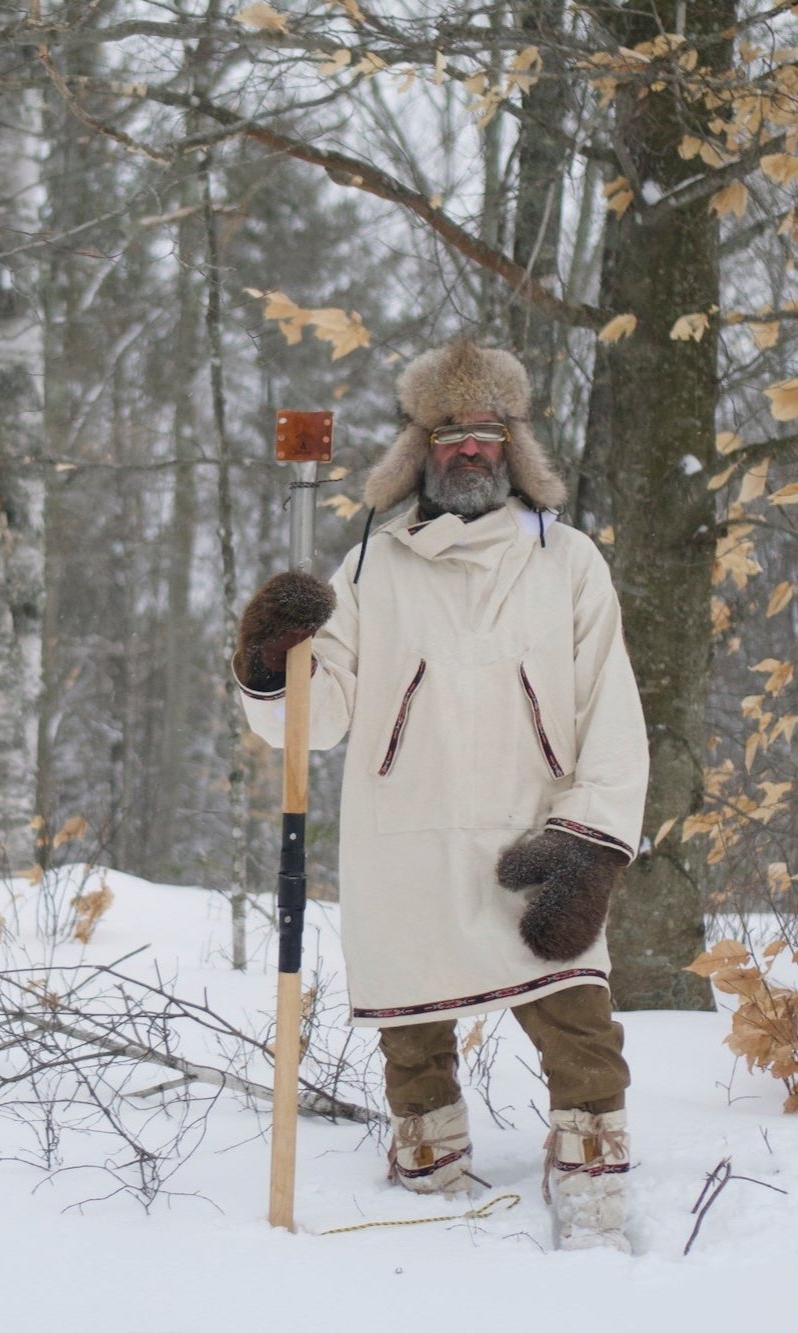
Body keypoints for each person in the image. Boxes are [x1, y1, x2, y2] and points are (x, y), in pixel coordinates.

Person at [233, 338, 649, 1253]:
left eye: (486, 434)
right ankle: (428, 1172)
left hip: (534, 829)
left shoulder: (568, 561)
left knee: (576, 1018)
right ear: (420, 448)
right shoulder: (370, 569)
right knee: (413, 1030)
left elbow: (611, 715)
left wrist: (591, 843)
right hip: (405, 836)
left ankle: (590, 1176)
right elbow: (316, 720)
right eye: (450, 433)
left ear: (513, 446)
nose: (469, 450)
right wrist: (273, 659)